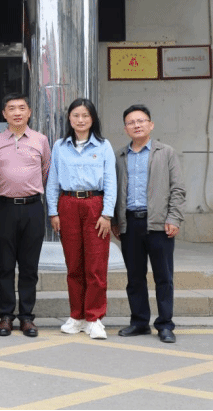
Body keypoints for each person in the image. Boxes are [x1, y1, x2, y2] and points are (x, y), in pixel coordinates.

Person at [112, 105, 185, 343]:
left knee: (164, 277)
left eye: (141, 121)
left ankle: (165, 324)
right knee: (135, 277)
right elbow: (114, 190)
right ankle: (139, 322)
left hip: (159, 225)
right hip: (130, 224)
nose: (136, 125)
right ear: (125, 128)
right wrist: (116, 220)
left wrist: (173, 218)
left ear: (150, 125)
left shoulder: (166, 153)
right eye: (131, 122)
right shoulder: (120, 156)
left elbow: (178, 189)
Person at [46, 99, 116, 340]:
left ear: (92, 118)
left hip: (95, 205)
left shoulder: (104, 146)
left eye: (85, 115)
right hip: (68, 204)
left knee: (96, 266)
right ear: (69, 118)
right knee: (74, 265)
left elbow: (111, 182)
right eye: (76, 115)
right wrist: (53, 212)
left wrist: (107, 214)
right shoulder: (60, 146)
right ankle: (77, 316)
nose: (81, 120)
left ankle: (94, 318)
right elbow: (52, 180)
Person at [0, 92, 50, 338]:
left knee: (29, 266)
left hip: (33, 208)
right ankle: (5, 316)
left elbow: (46, 171)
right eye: (11, 108)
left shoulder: (41, 140)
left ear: (29, 112)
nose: (17, 113)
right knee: (5, 265)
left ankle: (26, 317)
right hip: (4, 208)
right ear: (4, 114)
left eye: (22, 108)